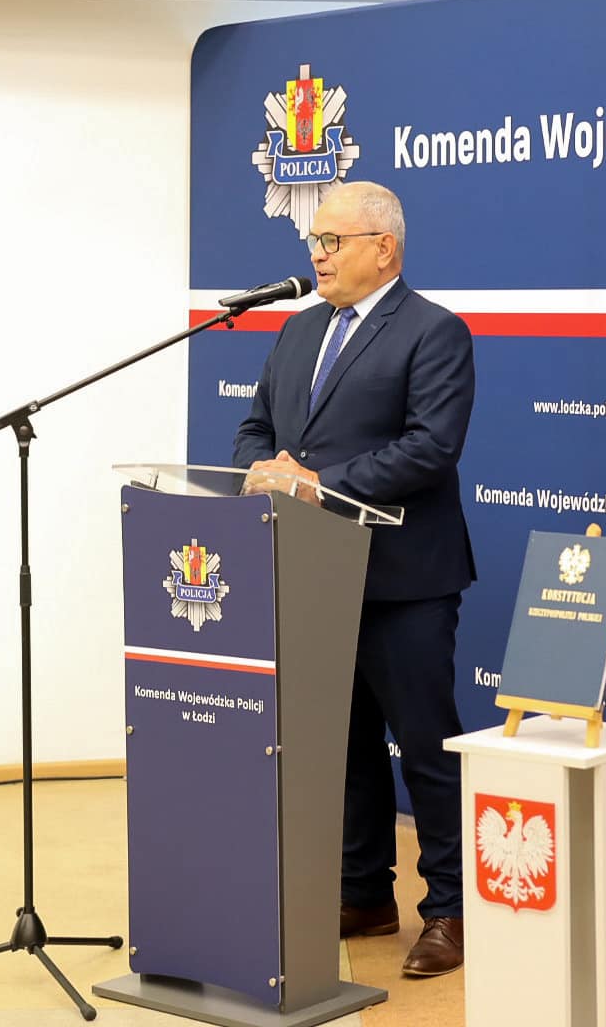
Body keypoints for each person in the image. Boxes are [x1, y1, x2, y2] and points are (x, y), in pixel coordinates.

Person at [233, 180, 475, 977]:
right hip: (315, 571)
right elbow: (257, 427)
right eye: (315, 241)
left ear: (385, 248)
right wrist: (262, 470)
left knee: (426, 747)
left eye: (333, 241)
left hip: (404, 579)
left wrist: (316, 484)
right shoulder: (299, 328)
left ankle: (451, 909)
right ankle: (365, 893)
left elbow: (430, 446)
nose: (318, 254)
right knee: (345, 746)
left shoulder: (434, 332)